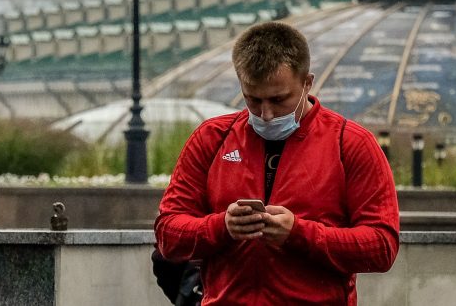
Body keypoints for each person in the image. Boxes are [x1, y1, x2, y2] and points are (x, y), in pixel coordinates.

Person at [155, 22, 399, 305]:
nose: (266, 114)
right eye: (253, 99)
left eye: (279, 99)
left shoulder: (351, 143)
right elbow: (167, 235)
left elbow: (382, 246)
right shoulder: (211, 138)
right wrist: (222, 226)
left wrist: (299, 233)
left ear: (307, 82)